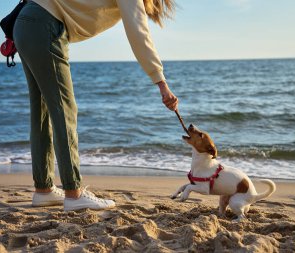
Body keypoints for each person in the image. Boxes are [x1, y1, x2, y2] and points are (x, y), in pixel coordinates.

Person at [13, 0, 179, 211]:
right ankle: (74, 194)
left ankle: (44, 190)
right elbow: (139, 33)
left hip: (27, 22)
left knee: (42, 110)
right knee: (65, 109)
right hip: (44, 23)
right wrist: (161, 83)